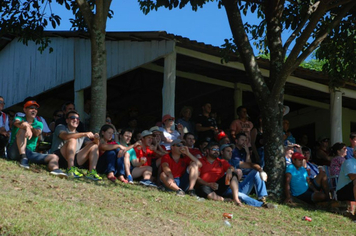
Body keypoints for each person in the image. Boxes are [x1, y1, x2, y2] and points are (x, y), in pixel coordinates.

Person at [7, 100, 66, 178]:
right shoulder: (18, 118)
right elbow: (16, 123)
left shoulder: (39, 123)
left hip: (29, 152)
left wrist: (29, 127)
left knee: (54, 157)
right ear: (25, 110)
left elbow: (37, 133)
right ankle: (23, 158)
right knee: (22, 129)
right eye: (31, 108)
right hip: (15, 151)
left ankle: (55, 170)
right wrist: (26, 126)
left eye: (36, 108)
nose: (34, 110)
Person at [50, 110, 101, 180]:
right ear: (67, 120)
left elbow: (94, 145)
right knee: (72, 139)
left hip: (74, 159)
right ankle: (70, 169)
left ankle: (91, 172)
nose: (75, 120)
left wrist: (96, 139)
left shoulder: (80, 134)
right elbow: (65, 136)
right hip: (58, 157)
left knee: (94, 146)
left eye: (77, 119)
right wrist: (84, 134)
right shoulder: (61, 127)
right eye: (72, 118)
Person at [220, 143, 274, 208]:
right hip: (227, 190)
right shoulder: (218, 162)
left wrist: (261, 170)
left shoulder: (233, 162)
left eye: (231, 151)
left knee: (256, 172)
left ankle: (262, 198)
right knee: (242, 196)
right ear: (222, 152)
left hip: (239, 186)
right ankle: (262, 205)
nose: (230, 153)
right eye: (228, 151)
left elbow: (251, 165)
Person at [195, 142, 243, 206]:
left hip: (219, 186)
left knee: (233, 174)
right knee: (203, 189)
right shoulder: (200, 161)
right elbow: (197, 178)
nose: (216, 151)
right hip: (205, 186)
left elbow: (231, 167)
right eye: (214, 149)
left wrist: (229, 170)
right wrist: (208, 184)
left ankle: (236, 199)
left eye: (218, 150)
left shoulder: (221, 161)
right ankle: (224, 199)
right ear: (207, 151)